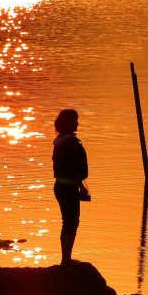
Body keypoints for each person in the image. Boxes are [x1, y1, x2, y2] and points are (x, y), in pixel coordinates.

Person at [52, 109, 89, 265]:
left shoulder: (59, 140)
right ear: (66, 123)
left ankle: (65, 258)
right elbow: (74, 168)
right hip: (68, 187)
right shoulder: (71, 143)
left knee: (67, 221)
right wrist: (82, 187)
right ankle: (66, 260)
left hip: (60, 185)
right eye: (74, 120)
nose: (77, 123)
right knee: (72, 222)